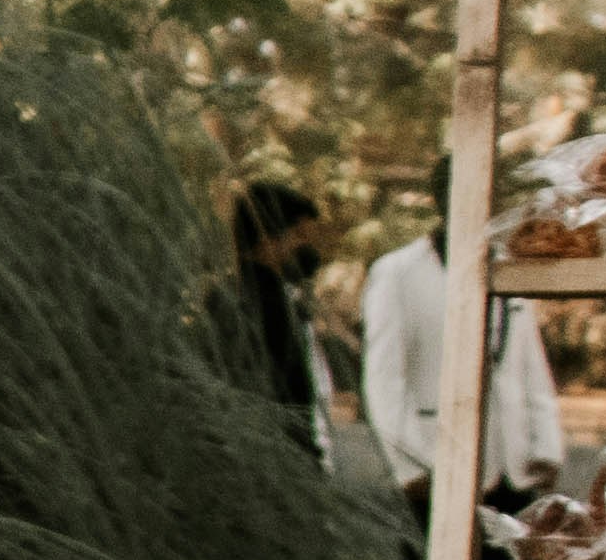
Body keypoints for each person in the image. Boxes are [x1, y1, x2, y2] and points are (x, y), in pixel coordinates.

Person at [360, 186, 566, 511]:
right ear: (441, 200)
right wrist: (409, 468)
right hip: (436, 464)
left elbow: (530, 365)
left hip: (512, 471)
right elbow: (384, 381)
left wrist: (546, 448)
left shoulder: (508, 266)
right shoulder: (397, 274)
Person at [221, 180, 336, 461]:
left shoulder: (237, 294)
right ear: (267, 239)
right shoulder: (264, 306)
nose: (305, 251)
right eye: (298, 237)